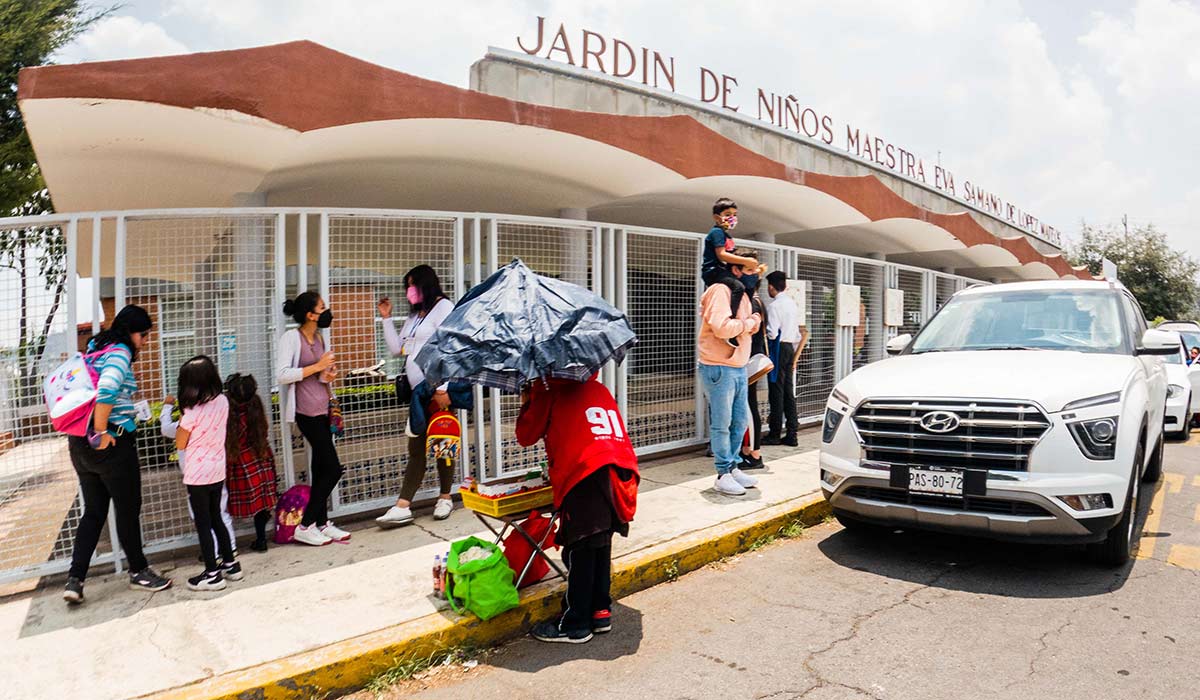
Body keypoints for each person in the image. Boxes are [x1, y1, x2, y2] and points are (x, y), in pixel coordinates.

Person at [62, 305, 172, 604]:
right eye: (144, 335)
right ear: (130, 332)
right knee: (127, 509)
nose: (145, 341)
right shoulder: (120, 352)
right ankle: (139, 572)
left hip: (79, 444)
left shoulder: (95, 349)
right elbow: (107, 389)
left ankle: (75, 579)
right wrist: (101, 431)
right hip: (109, 445)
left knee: (94, 512)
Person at [516, 376, 639, 644]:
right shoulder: (597, 387)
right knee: (600, 543)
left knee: (580, 548)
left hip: (584, 473)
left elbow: (526, 435)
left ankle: (576, 624)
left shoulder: (548, 388)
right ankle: (600, 612)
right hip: (617, 472)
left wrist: (528, 400)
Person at [376, 265, 459, 527]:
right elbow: (396, 348)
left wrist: (443, 387)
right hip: (417, 394)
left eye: (413, 285)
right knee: (416, 447)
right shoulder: (415, 316)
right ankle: (403, 505)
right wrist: (386, 318)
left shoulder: (444, 308)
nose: (409, 291)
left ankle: (445, 497)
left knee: (443, 442)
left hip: (436, 389)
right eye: (407, 286)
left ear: (426, 284)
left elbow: (451, 347)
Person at [276, 291, 350, 546]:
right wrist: (318, 367)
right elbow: (283, 374)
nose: (326, 311)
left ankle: (322, 523)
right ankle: (305, 524)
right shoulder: (291, 338)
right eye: (322, 307)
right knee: (332, 468)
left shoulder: (319, 338)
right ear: (310, 314)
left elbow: (317, 376)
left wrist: (326, 374)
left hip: (323, 410)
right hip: (305, 412)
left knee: (321, 468)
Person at [173, 355, 244, 592]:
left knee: (203, 523)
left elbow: (181, 443)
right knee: (217, 516)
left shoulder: (191, 411)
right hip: (217, 469)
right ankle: (231, 564)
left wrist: (182, 419)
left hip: (197, 474)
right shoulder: (223, 401)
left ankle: (212, 574)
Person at [699, 247, 762, 496]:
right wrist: (750, 323)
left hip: (737, 366)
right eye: (749, 270)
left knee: (739, 422)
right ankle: (722, 473)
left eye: (756, 270)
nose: (754, 275)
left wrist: (751, 324)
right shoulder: (720, 290)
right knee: (722, 424)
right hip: (718, 366)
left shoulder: (743, 294)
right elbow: (722, 327)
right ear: (735, 268)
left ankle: (733, 466)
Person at [160, 398, 237, 559]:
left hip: (196, 475)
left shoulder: (187, 420)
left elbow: (168, 431)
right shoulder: (219, 409)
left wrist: (167, 407)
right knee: (220, 513)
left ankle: (212, 552)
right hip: (216, 470)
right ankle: (230, 547)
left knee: (202, 518)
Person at [224, 373, 279, 552]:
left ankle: (225, 545)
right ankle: (261, 539)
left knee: (224, 506)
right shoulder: (256, 406)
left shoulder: (228, 410)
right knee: (263, 503)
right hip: (261, 455)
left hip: (239, 461)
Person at [701, 198, 765, 348]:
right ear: (717, 217)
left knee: (747, 286)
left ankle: (745, 316)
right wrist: (746, 262)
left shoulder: (727, 236)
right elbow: (722, 255)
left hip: (723, 270)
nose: (732, 217)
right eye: (728, 214)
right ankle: (732, 322)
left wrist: (752, 267)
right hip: (713, 271)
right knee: (738, 287)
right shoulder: (717, 233)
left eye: (735, 214)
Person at [764, 272, 803, 446]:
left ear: (771, 286)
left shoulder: (774, 306)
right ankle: (792, 433)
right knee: (788, 390)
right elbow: (796, 333)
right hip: (789, 347)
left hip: (778, 348)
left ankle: (774, 433)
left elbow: (772, 332)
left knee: (776, 391)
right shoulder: (792, 304)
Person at [739, 253, 768, 471]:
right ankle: (748, 451)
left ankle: (755, 453)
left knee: (750, 407)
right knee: (748, 406)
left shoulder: (754, 303)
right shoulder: (755, 301)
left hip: (750, 360)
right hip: (749, 358)